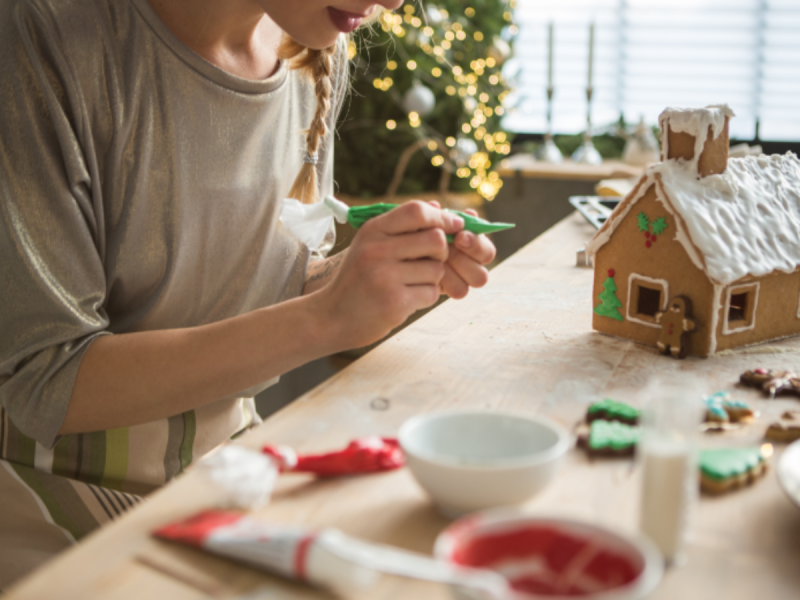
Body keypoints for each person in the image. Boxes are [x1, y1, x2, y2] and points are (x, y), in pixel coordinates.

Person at [0, 0, 497, 590]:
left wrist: (377, 277)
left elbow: (264, 281)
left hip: (229, 472)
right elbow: (45, 382)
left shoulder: (313, 50)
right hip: (42, 494)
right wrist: (323, 319)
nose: (394, 3)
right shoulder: (40, 33)